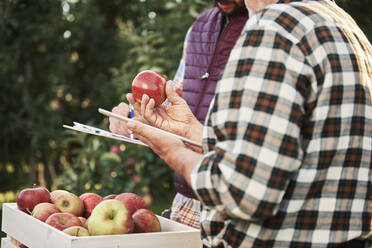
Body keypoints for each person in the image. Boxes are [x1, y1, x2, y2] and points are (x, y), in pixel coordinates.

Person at [119, 0, 372, 247]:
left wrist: (172, 151)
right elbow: (283, 152)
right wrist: (191, 132)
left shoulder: (274, 29)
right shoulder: (343, 25)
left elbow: (242, 193)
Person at [109, 0, 248, 229]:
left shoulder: (267, 34)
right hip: (186, 206)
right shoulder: (199, 28)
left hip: (233, 210)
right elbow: (175, 105)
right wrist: (136, 117)